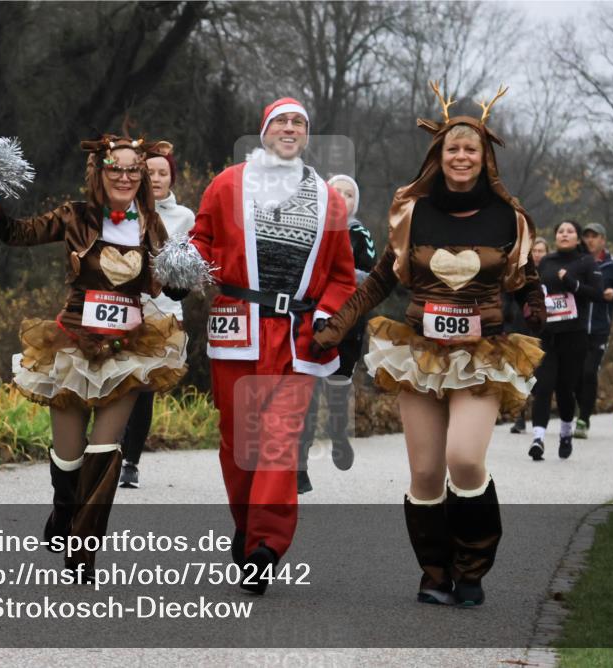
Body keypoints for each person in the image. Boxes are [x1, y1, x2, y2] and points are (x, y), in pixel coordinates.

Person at [313, 82, 547, 606]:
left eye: (470, 149)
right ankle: (435, 572)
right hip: (420, 351)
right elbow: (379, 280)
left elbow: (525, 279)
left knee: (464, 459)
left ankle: (472, 568)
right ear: (437, 156)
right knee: (423, 471)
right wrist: (336, 324)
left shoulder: (509, 217)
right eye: (452, 148)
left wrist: (537, 304)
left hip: (482, 355)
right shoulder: (412, 212)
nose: (461, 156)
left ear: (485, 157)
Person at [0, 135, 188, 572]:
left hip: (128, 348)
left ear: (141, 177)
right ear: (99, 172)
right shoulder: (75, 215)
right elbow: (18, 233)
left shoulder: (151, 224)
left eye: (132, 170)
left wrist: (181, 278)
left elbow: (168, 279)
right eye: (115, 169)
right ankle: (65, 509)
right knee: (68, 456)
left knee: (104, 450)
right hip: (72, 343)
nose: (124, 177)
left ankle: (84, 546)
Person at [189, 97, 356, 594]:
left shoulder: (330, 200)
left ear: (307, 135)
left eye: (298, 123)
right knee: (238, 442)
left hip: (298, 335)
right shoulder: (227, 184)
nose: (289, 128)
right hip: (238, 325)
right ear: (264, 131)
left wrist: (327, 315)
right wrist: (184, 263)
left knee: (280, 442)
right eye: (281, 121)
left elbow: (343, 277)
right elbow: (202, 241)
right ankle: (246, 526)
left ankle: (266, 545)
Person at [119, 142, 195, 489]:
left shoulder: (184, 217)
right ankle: (106, 452)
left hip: (162, 313)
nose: (158, 178)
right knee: (117, 386)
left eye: (164, 173)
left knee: (144, 389)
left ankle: (131, 462)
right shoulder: (121, 209)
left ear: (172, 178)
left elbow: (186, 271)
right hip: (121, 309)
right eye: (150, 173)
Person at [296, 174, 377, 494]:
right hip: (310, 320)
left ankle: (339, 435)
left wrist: (337, 278)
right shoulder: (308, 227)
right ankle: (300, 467)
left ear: (356, 202)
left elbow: (369, 277)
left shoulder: (360, 234)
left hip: (348, 322)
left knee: (338, 384)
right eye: (336, 191)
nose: (343, 198)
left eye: (350, 194)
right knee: (308, 391)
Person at [529, 220, 602, 460]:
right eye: (560, 231)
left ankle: (566, 432)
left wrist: (572, 283)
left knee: (564, 390)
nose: (564, 234)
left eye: (570, 231)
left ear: (578, 238)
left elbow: (597, 294)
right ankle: (538, 439)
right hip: (549, 335)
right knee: (543, 386)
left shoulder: (586, 262)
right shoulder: (547, 261)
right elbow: (537, 291)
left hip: (574, 336)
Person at [573, 223, 613, 439]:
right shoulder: (576, 262)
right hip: (576, 326)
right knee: (576, 375)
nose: (589, 240)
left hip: (599, 327)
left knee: (589, 371)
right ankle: (581, 408)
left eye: (594, 236)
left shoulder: (612, 265)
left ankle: (584, 418)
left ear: (603, 239)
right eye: (586, 236)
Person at [505, 236, 548, 434]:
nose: (538, 254)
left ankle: (539, 414)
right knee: (519, 373)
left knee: (538, 376)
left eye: (541, 251)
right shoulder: (518, 273)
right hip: (519, 328)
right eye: (535, 251)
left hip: (543, 331)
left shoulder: (552, 274)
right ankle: (519, 418)